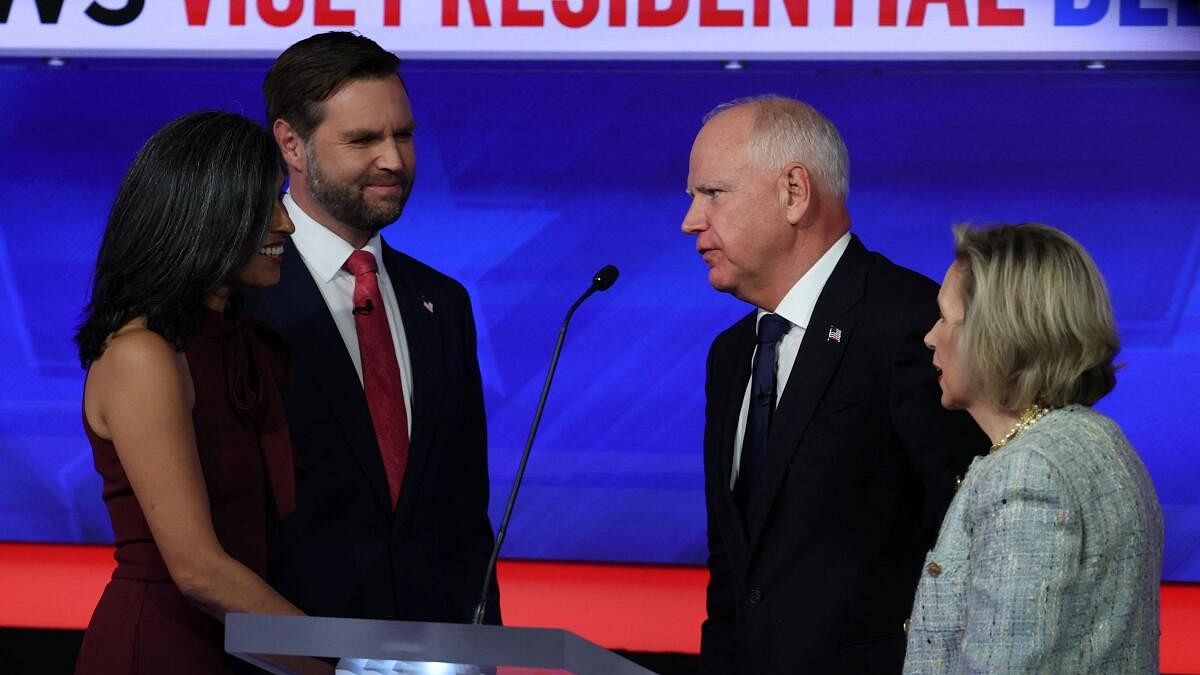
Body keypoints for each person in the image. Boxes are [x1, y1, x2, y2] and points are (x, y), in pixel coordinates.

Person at [681, 95, 988, 674]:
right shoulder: (729, 357)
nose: (691, 220)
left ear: (794, 192)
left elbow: (964, 544)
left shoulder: (915, 326)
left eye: (712, 193)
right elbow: (734, 569)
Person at [244, 31, 499, 623]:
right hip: (286, 650)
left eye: (403, 135)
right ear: (291, 143)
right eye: (362, 139)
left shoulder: (443, 303)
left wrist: (480, 651)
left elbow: (464, 517)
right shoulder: (241, 298)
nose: (394, 160)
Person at [73, 111, 302, 674]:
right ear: (206, 215)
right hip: (163, 650)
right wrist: (341, 666)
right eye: (266, 205)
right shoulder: (143, 354)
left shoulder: (239, 341)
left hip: (242, 646)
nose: (286, 224)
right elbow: (198, 570)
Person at [904, 223, 1163, 673]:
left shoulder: (1026, 473)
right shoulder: (1099, 439)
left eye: (945, 317)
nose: (930, 336)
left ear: (996, 334)